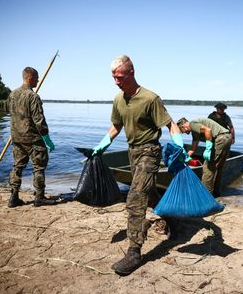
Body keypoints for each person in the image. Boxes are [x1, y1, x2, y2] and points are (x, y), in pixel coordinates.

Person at [92, 55, 184, 276]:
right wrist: (102, 145)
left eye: (119, 76)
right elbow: (116, 126)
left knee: (135, 198)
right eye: (113, 77)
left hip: (150, 151)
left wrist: (178, 144)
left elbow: (170, 124)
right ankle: (172, 220)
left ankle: (134, 252)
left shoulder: (150, 98)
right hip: (133, 153)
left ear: (131, 72)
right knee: (149, 193)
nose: (116, 81)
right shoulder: (118, 99)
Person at [2, 67, 56, 208]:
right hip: (32, 139)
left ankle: (13, 198)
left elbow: (6, 109)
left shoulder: (12, 94)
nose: (38, 80)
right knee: (39, 166)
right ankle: (39, 198)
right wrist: (47, 138)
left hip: (17, 138)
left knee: (17, 166)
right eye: (36, 78)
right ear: (30, 78)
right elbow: (39, 120)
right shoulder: (33, 96)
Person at [177, 117, 233, 198]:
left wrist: (208, 148)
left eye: (182, 131)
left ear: (183, 126)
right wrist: (184, 157)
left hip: (221, 139)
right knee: (218, 167)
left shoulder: (192, 124)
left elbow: (208, 130)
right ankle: (216, 193)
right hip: (227, 138)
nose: (184, 133)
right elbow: (193, 149)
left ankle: (206, 197)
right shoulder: (195, 132)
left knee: (208, 168)